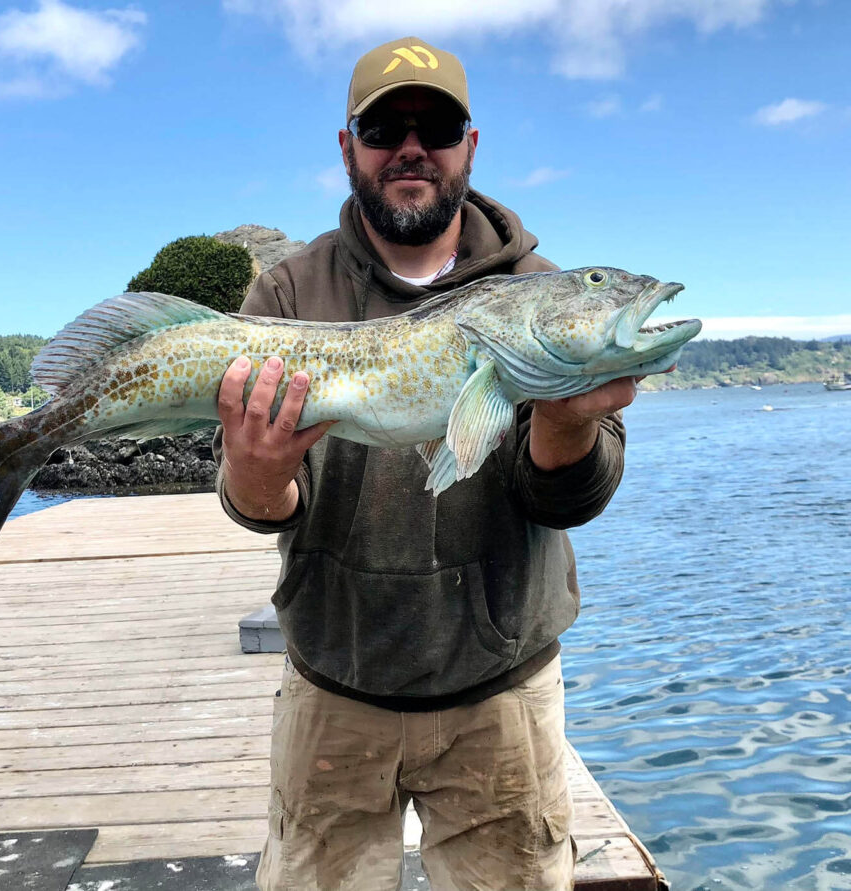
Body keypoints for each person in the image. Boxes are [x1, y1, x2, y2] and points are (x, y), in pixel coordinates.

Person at [214, 36, 641, 891]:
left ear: (470, 146)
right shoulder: (288, 297)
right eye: (383, 127)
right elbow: (257, 502)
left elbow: (571, 496)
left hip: (501, 694)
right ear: (348, 147)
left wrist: (563, 425)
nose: (411, 145)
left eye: (436, 125)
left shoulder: (543, 290)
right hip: (334, 687)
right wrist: (256, 473)